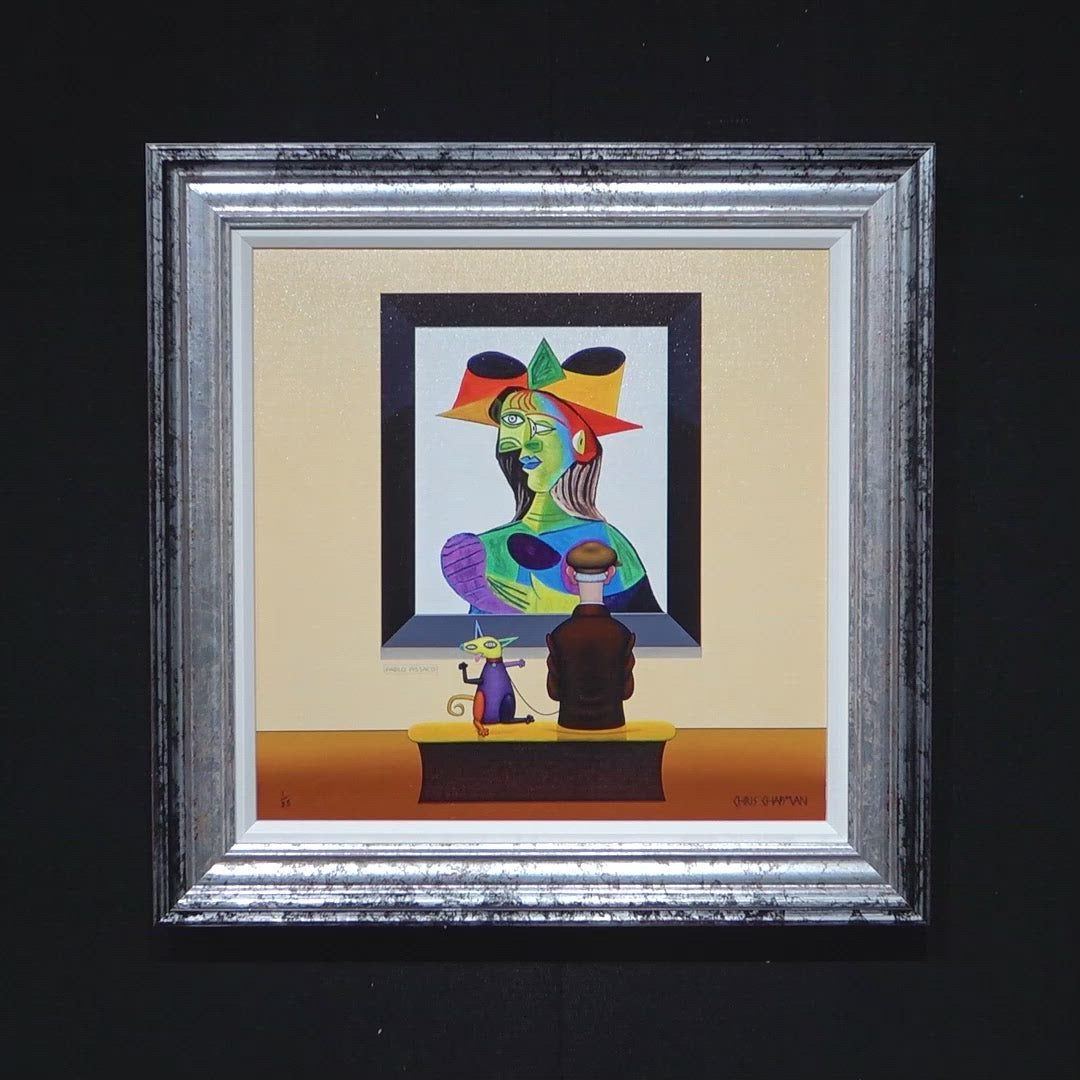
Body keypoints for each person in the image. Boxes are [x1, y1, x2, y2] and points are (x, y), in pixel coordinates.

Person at [438, 340, 661, 615]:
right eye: (512, 422)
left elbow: (649, 629)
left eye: (542, 427)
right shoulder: (486, 550)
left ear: (580, 443)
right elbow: (474, 635)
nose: (525, 445)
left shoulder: (607, 543)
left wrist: (555, 606)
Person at [544, 540, 636, 730]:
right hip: (613, 727)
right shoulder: (622, 634)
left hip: (569, 728)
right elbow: (627, 691)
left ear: (571, 574)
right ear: (610, 574)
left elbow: (554, 692)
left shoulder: (559, 635)